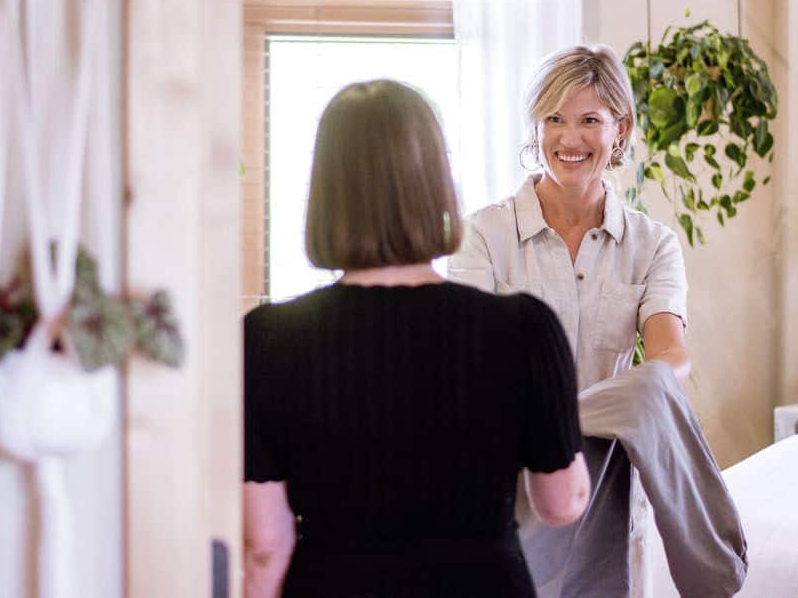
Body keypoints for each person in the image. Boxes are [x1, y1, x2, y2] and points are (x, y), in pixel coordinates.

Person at [242, 79, 591, 598]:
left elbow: (266, 545)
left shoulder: (266, 338)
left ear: (327, 193)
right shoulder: (522, 328)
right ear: (436, 186)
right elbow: (561, 503)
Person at [449, 46, 746, 597]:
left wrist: (632, 395)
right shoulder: (482, 237)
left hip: (606, 487)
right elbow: (464, 359)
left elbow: (669, 354)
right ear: (535, 127)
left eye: (589, 120)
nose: (569, 138)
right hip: (505, 481)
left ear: (620, 129)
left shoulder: (652, 245)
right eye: (554, 119)